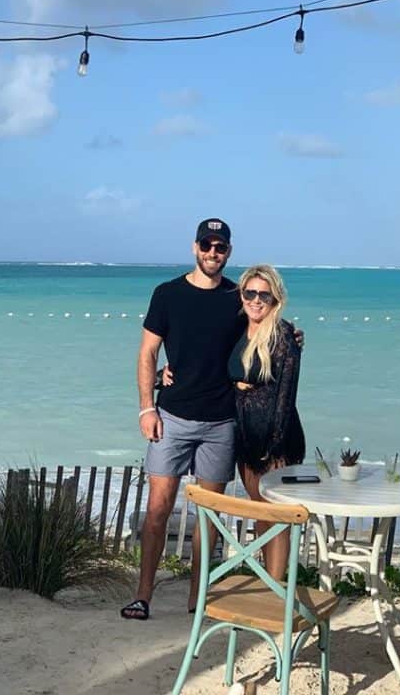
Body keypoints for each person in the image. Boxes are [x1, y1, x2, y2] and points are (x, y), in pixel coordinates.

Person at [121, 217, 242, 621]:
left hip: (221, 423)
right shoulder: (167, 294)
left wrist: (293, 337)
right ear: (194, 248)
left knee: (209, 516)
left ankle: (197, 600)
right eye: (206, 245)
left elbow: (265, 329)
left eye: (220, 247)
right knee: (157, 510)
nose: (213, 253)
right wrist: (146, 406)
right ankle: (143, 595)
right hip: (171, 418)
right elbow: (147, 353)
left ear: (228, 251)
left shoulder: (238, 297)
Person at [228, 264, 304, 580]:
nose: (256, 300)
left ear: (275, 298)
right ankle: (265, 583)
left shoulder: (284, 335)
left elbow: (286, 394)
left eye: (264, 294)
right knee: (260, 512)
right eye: (250, 293)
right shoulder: (235, 330)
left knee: (278, 516)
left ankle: (276, 589)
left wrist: (272, 447)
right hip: (244, 436)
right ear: (241, 294)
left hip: (276, 443)